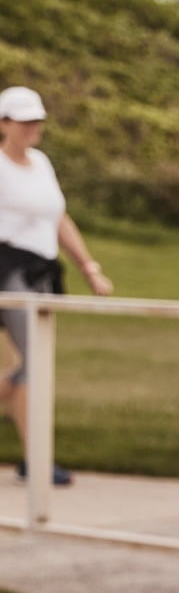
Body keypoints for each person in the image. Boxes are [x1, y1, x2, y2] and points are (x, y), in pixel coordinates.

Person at [0, 86, 113, 489]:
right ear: (5, 123)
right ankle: (37, 458)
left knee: (35, 363)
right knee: (36, 361)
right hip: (6, 270)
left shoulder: (42, 163)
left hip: (39, 271)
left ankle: (35, 456)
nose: (33, 127)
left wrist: (89, 266)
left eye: (37, 120)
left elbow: (59, 219)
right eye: (24, 120)